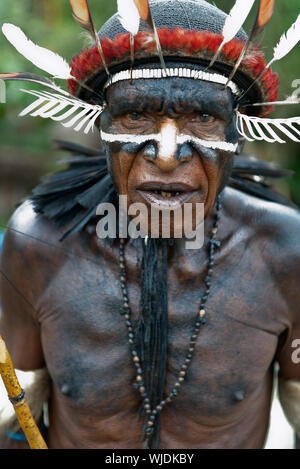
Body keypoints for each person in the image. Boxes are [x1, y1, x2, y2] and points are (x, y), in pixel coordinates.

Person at [0, 0, 300, 449]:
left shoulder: (285, 251)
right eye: (135, 115)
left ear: (237, 135)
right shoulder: (38, 242)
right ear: (102, 126)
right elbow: (13, 417)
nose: (165, 153)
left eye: (202, 118)